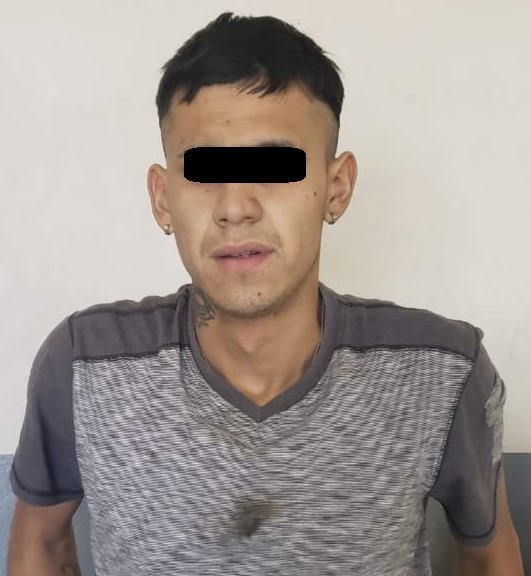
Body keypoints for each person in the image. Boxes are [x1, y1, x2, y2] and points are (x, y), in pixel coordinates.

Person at [8, 11, 524, 576]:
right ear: (162, 197)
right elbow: (41, 545)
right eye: (204, 171)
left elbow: (488, 558)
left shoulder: (442, 373)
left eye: (275, 167)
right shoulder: (84, 365)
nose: (235, 207)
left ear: (337, 187)